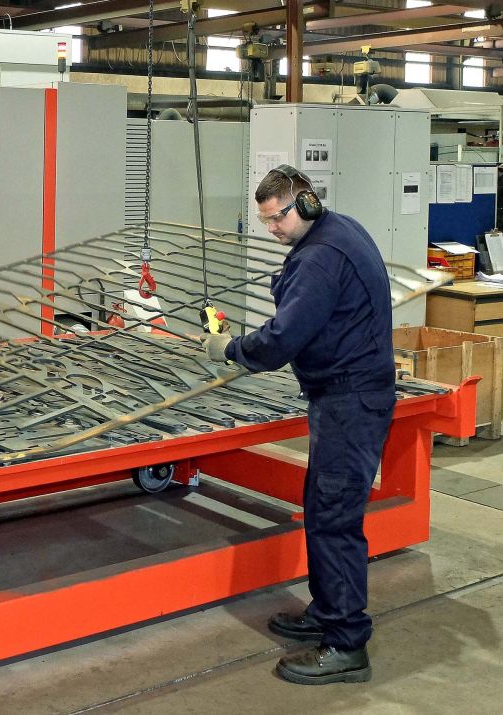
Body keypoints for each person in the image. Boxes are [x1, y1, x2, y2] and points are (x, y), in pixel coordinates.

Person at [201, 165, 395, 685]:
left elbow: (282, 340)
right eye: (265, 222)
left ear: (306, 202)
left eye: (278, 219)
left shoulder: (321, 257)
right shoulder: (338, 230)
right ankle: (327, 613)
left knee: (334, 521)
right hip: (344, 396)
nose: (273, 230)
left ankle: (347, 645)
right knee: (322, 509)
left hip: (350, 400)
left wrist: (231, 349)